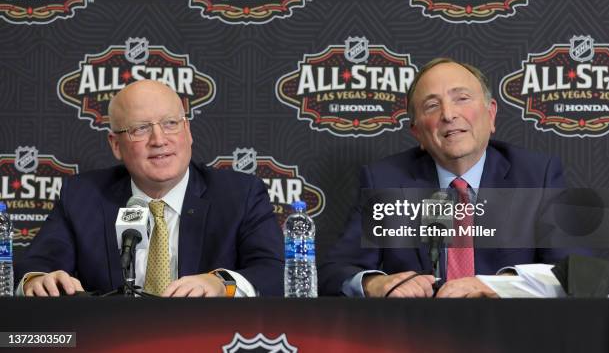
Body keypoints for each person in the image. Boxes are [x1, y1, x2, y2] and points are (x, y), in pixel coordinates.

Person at [318, 58, 572, 298]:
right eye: (432, 105)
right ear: (417, 132)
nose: (448, 115)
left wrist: (499, 285)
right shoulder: (385, 181)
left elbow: (578, 272)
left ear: (491, 113)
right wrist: (376, 283)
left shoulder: (537, 175)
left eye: (462, 98)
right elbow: (335, 272)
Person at [16, 80, 283, 297]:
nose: (159, 140)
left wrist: (222, 284)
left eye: (170, 123)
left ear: (188, 131)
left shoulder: (239, 195)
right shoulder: (82, 197)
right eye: (140, 129)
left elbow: (274, 273)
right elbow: (36, 266)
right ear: (116, 145)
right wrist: (39, 280)